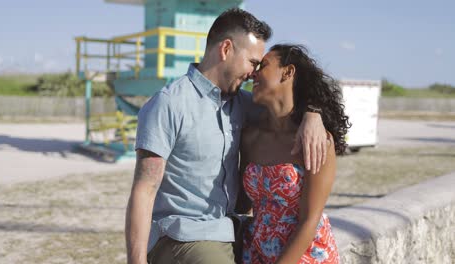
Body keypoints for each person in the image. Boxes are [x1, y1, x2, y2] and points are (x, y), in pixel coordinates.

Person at [125, 9, 328, 264]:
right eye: (253, 62)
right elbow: (144, 189)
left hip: (231, 230)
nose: (254, 73)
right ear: (226, 49)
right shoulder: (168, 104)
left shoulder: (244, 103)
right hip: (183, 235)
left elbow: (287, 104)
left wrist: (313, 113)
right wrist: (136, 261)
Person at [239, 44, 351, 264]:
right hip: (256, 253)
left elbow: (310, 220)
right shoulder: (250, 137)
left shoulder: (317, 140)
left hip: (306, 256)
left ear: (287, 72)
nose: (253, 73)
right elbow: (243, 205)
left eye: (263, 65)